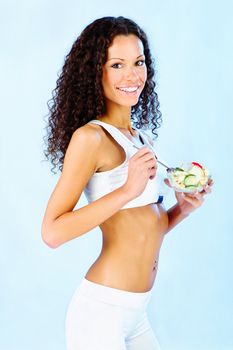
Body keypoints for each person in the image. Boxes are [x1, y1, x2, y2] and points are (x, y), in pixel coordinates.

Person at [41, 16, 213, 350]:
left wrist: (183, 209)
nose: (132, 75)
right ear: (96, 72)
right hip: (101, 313)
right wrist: (127, 190)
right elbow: (52, 232)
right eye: (117, 65)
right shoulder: (90, 138)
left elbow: (144, 228)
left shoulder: (140, 139)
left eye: (138, 62)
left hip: (137, 314)